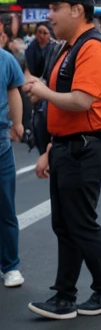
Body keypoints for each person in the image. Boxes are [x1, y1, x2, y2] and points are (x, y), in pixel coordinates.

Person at [22, 0, 101, 319]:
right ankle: (65, 296)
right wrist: (50, 148)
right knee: (66, 225)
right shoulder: (68, 47)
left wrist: (43, 91)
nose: (48, 15)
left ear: (77, 10)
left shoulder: (92, 48)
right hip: (68, 146)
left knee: (80, 223)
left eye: (55, 7)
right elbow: (63, 104)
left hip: (84, 147)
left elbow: (82, 100)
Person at [0, 46, 25, 287]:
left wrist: (17, 123)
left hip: (1, 142)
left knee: (6, 207)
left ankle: (10, 266)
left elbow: (14, 90)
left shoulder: (5, 59)